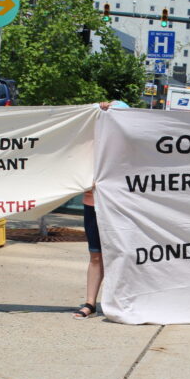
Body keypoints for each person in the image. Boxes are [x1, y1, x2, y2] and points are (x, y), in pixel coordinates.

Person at [73, 99, 128, 319]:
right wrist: (99, 107)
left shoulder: (128, 144)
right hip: (93, 204)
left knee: (122, 254)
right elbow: (80, 121)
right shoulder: (92, 141)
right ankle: (90, 303)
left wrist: (117, 107)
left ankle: (119, 300)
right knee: (96, 255)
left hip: (120, 206)